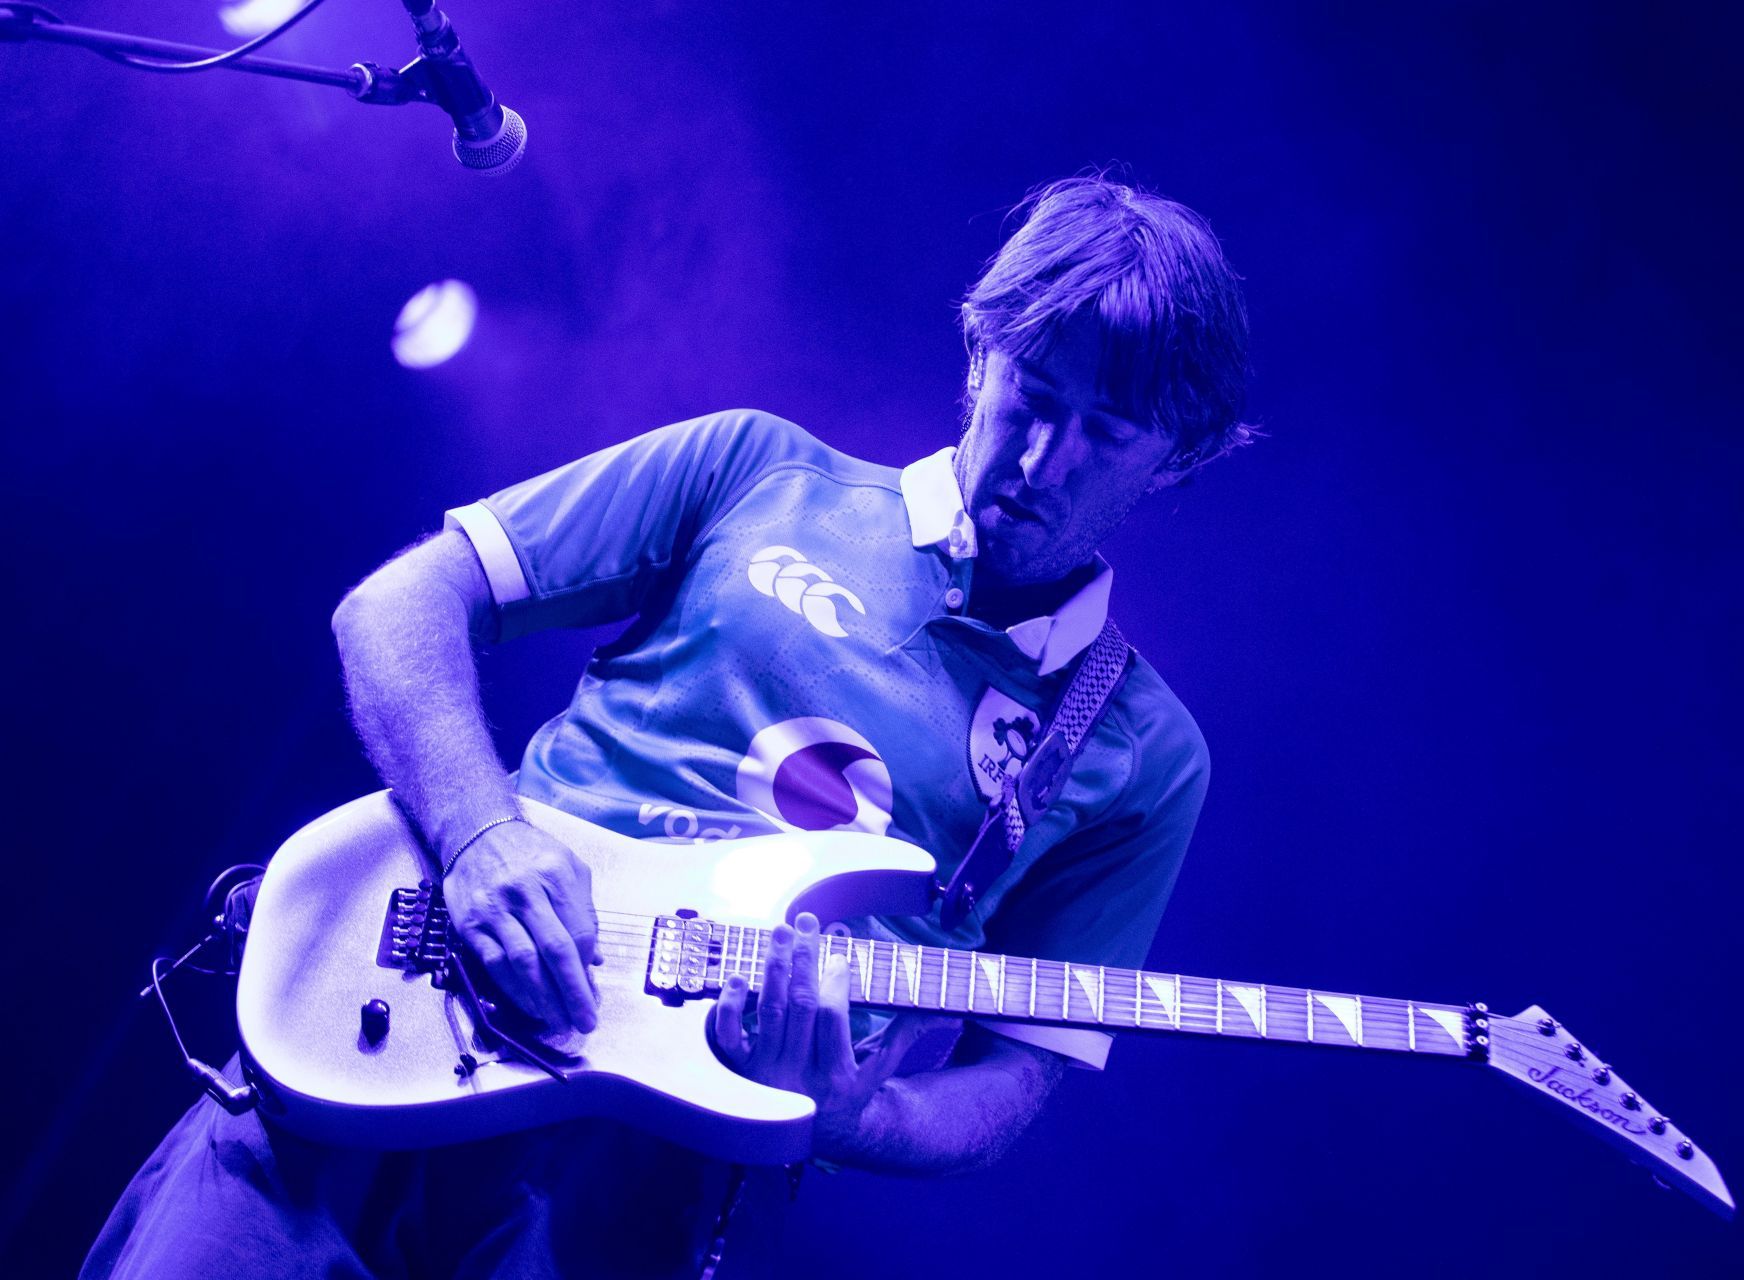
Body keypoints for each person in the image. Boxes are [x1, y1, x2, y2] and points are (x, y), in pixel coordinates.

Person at [82, 174, 1253, 1278]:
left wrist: (854, 1111)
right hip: (405, 1009)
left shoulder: (1143, 752)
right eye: (1032, 397)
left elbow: (1011, 1080)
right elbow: (399, 602)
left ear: (1184, 456)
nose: (1042, 461)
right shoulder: (759, 467)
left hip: (642, 1181)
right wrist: (483, 830)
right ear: (978, 352)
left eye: (1106, 432)